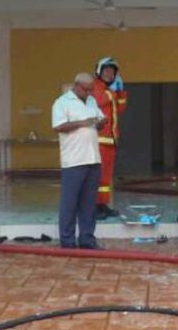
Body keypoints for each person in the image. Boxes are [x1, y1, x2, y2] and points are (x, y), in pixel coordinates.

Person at [51, 72, 106, 249]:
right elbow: (58, 127)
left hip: (93, 159)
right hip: (74, 161)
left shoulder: (91, 102)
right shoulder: (62, 103)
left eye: (91, 90)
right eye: (86, 90)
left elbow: (97, 121)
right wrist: (82, 122)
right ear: (76, 86)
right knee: (70, 203)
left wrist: (101, 122)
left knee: (89, 203)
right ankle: (67, 241)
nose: (89, 93)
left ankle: (87, 239)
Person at [92, 56, 128, 220]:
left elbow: (120, 108)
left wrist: (121, 90)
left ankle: (102, 205)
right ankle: (93, 206)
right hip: (98, 140)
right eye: (106, 71)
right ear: (99, 71)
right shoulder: (95, 86)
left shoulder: (110, 90)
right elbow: (99, 101)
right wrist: (113, 92)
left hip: (110, 141)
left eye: (112, 72)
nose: (109, 74)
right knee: (97, 176)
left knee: (106, 177)